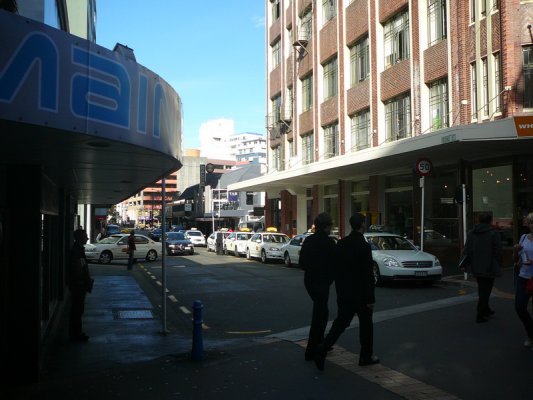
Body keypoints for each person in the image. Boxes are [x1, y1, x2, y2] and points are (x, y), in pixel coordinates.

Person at [314, 213, 378, 370]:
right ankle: (365, 356)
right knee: (366, 325)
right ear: (362, 224)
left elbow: (336, 268)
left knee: (341, 323)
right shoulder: (364, 246)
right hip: (361, 293)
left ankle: (323, 347)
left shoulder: (342, 244)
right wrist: (370, 298)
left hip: (345, 292)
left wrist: (340, 289)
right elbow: (367, 274)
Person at [299, 212, 337, 362]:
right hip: (322, 282)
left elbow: (302, 263)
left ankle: (318, 343)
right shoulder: (329, 243)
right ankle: (313, 349)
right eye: (331, 225)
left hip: (310, 280)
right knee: (320, 315)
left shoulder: (309, 240)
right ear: (327, 226)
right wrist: (329, 278)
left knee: (321, 311)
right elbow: (335, 264)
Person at [462, 212, 502, 323]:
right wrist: (499, 263)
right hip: (489, 265)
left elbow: (467, 249)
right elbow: (498, 250)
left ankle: (486, 309)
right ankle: (480, 314)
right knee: (486, 290)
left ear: (479, 220)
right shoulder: (493, 233)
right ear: (490, 221)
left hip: (476, 265)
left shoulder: (472, 233)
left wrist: (465, 264)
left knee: (482, 288)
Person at [513, 213, 533, 348]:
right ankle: (531, 334)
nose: (532, 225)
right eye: (531, 222)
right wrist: (516, 251)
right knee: (520, 307)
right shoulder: (524, 237)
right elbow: (516, 260)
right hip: (523, 277)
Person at [69, 228, 92, 341]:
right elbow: (78, 268)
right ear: (79, 238)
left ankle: (76, 332)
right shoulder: (77, 251)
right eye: (85, 236)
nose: (87, 238)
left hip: (79, 284)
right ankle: (75, 334)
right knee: (77, 309)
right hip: (78, 284)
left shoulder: (78, 249)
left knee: (78, 309)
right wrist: (83, 281)